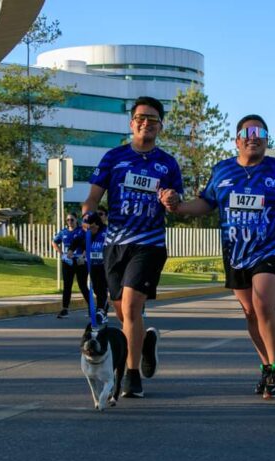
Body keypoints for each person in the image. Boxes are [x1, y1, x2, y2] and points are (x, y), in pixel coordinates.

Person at [163, 114, 275, 399]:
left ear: (267, 140)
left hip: (271, 248)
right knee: (250, 313)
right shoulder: (222, 171)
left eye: (260, 132)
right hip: (235, 252)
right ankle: (268, 367)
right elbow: (205, 203)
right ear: (237, 141)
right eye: (248, 132)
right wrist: (177, 207)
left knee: (263, 304)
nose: (254, 136)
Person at [82, 96, 184, 398]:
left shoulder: (167, 164)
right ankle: (145, 343)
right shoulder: (114, 158)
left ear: (160, 127)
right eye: (141, 118)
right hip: (115, 245)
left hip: (149, 244)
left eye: (153, 120)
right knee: (125, 314)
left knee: (130, 307)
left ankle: (131, 374)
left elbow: (176, 201)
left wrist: (171, 200)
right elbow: (92, 197)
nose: (146, 124)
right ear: (131, 123)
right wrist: (88, 214)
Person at [70, 212, 109, 316]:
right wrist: (71, 251)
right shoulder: (88, 232)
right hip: (93, 265)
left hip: (105, 265)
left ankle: (101, 310)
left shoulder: (107, 232)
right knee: (96, 288)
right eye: (86, 228)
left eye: (90, 227)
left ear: (96, 224)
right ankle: (102, 307)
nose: (88, 230)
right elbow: (79, 241)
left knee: (102, 288)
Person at [51, 212, 90, 318]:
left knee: (82, 285)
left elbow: (88, 243)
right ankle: (65, 309)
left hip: (80, 261)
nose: (70, 222)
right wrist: (61, 253)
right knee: (67, 285)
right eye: (67, 220)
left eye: (72, 220)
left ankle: (91, 308)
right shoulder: (63, 232)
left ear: (76, 220)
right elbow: (54, 242)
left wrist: (83, 255)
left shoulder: (82, 231)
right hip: (68, 262)